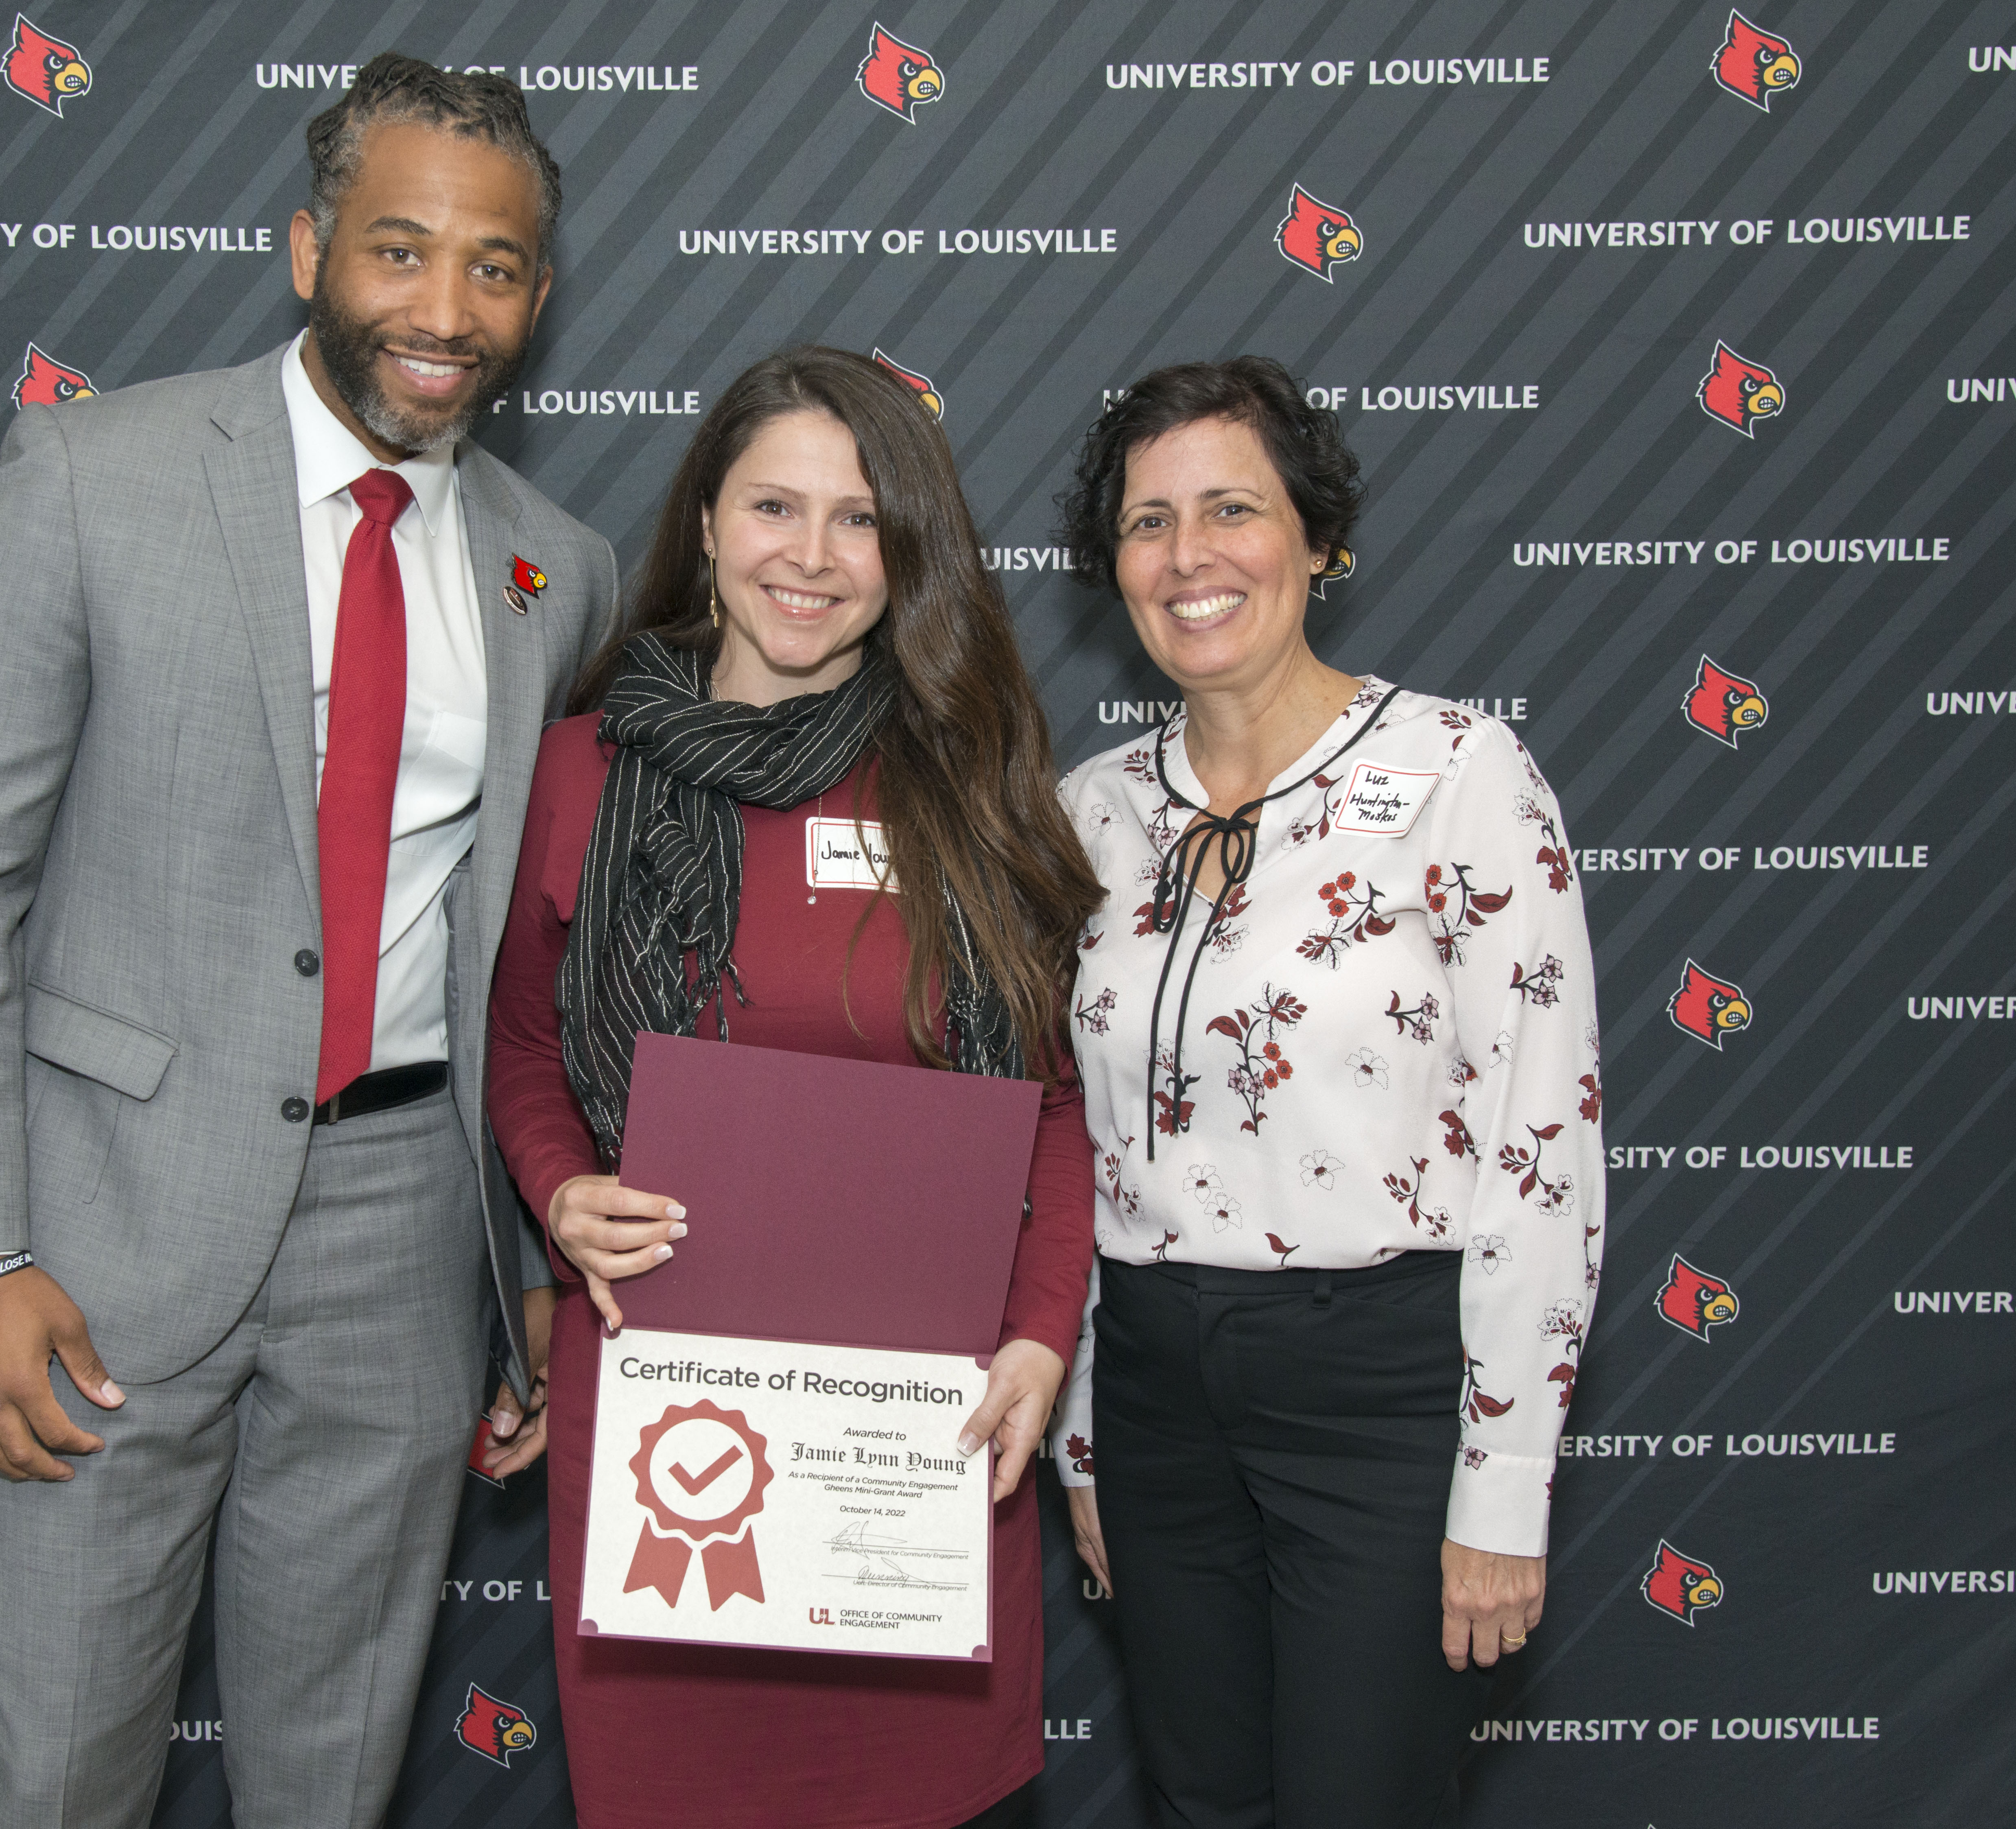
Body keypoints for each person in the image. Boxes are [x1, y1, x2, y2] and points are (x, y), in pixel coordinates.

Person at [0, 56, 612, 1828]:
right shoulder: (84, 475)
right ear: (306, 249)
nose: (443, 312)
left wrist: (513, 1259)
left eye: (494, 267)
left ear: (535, 293)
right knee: (58, 1771)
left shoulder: (552, 566)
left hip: (401, 1257)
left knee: (331, 1775)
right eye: (398, 250)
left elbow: (517, 943)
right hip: (101, 1230)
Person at [483, 346, 1103, 1829]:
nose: (810, 558)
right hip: (667, 1419)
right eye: (773, 507)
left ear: (909, 554)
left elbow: (1055, 1105)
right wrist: (563, 1191)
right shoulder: (574, 770)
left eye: (859, 519)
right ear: (705, 522)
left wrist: (1036, 1341)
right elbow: (521, 1048)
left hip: (918, 1438)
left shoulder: (971, 779)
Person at [1050, 357, 1604, 1827]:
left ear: (1316, 539)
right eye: (1147, 522)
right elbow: (1079, 1154)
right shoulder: (1086, 813)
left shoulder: (1460, 773)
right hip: (1158, 1388)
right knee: (1202, 1800)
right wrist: (1087, 1435)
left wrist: (1503, 1487)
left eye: (1231, 509)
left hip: (1384, 1389)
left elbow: (1542, 1149)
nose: (1189, 557)